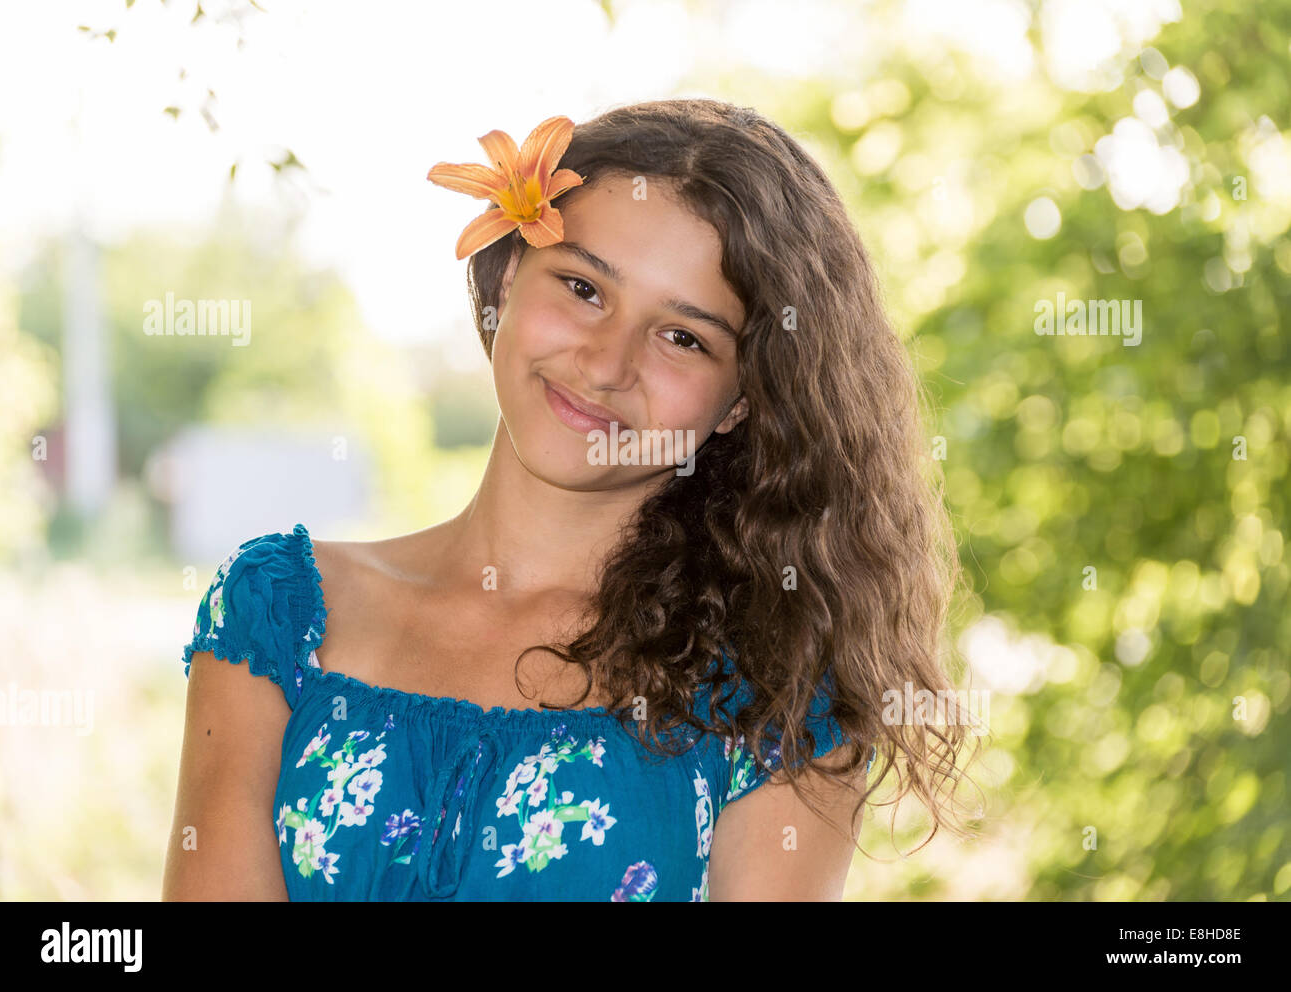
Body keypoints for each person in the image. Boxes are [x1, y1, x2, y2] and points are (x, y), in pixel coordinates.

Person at [163, 99, 969, 902]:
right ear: (510, 276)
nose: (607, 362)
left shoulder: (777, 691)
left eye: (683, 337)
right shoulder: (277, 610)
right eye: (584, 288)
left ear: (741, 402)